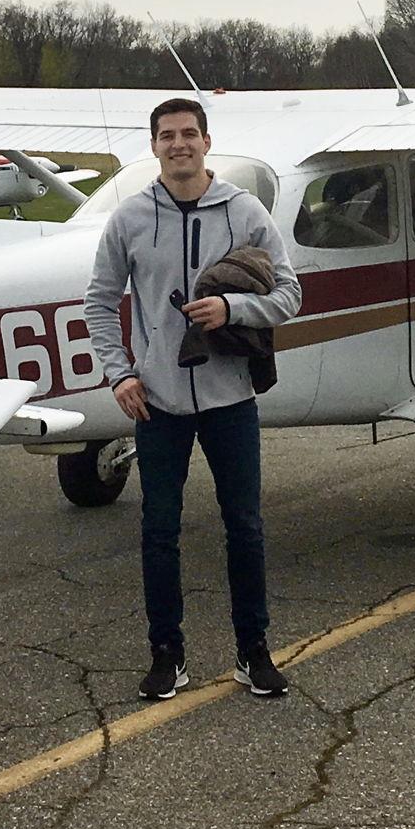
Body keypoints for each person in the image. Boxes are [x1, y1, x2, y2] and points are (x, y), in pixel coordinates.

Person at [84, 97, 302, 701]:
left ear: (207, 141)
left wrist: (234, 308)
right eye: (167, 135)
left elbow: (290, 294)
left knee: (245, 527)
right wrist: (119, 374)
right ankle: (167, 655)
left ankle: (253, 651)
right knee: (159, 532)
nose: (178, 144)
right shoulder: (129, 218)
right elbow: (99, 301)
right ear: (154, 145)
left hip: (230, 398)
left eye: (188, 134)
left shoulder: (245, 210)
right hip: (158, 403)